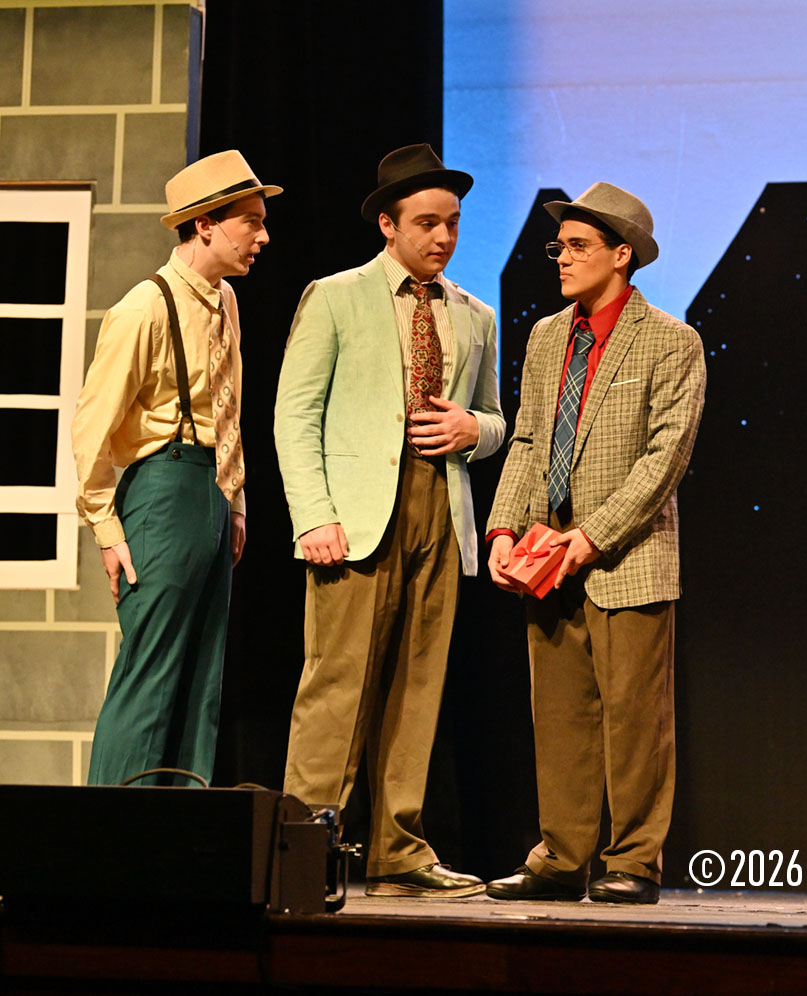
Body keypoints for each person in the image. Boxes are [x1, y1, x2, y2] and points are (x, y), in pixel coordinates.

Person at [274, 144, 505, 898]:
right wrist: (314, 516)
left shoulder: (474, 314)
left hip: (440, 507)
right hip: (357, 514)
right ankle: (303, 849)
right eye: (428, 223)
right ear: (388, 224)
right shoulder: (335, 297)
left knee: (418, 684)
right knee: (336, 685)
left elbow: (497, 418)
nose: (443, 237)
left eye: (453, 223)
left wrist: (473, 430)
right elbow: (294, 416)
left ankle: (398, 848)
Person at [483, 183, 706, 905]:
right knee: (559, 717)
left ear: (622, 254)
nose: (562, 257)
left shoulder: (670, 340)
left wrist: (592, 537)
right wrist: (503, 528)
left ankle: (633, 860)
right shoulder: (548, 335)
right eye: (560, 245)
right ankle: (561, 856)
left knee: (636, 719)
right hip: (546, 556)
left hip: (627, 557)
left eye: (578, 246)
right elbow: (527, 438)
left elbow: (664, 460)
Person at [72, 150, 279, 786]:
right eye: (251, 222)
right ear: (206, 224)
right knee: (151, 672)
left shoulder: (225, 302)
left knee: (200, 678)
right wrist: (107, 531)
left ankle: (177, 829)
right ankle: (108, 830)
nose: (263, 237)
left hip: (211, 490)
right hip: (163, 487)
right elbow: (90, 428)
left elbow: (231, 406)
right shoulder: (145, 307)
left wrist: (235, 500)